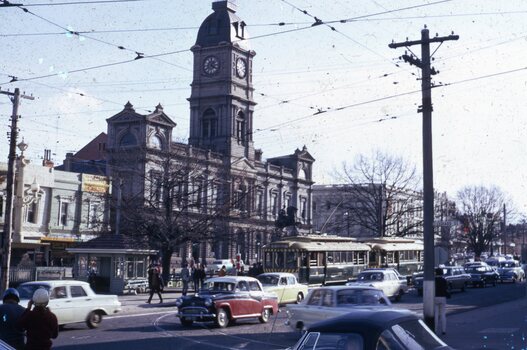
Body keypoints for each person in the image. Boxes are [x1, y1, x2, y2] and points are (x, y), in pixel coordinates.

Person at [434, 267, 449, 335]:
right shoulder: (444, 280)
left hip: (435, 297)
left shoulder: (434, 280)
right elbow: (446, 289)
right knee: (443, 314)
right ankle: (444, 330)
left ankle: (435, 329)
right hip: (443, 297)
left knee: (436, 314)